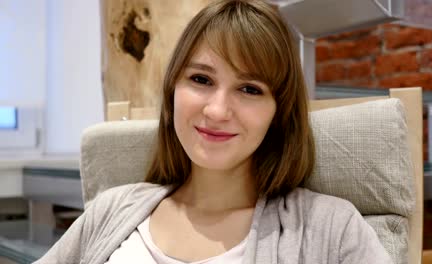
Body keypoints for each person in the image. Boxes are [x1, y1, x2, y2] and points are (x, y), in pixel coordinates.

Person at [35, 0, 393, 263]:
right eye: (201, 79)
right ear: (173, 90)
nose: (217, 110)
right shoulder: (113, 209)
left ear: (278, 113)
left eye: (250, 89)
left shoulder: (330, 228)